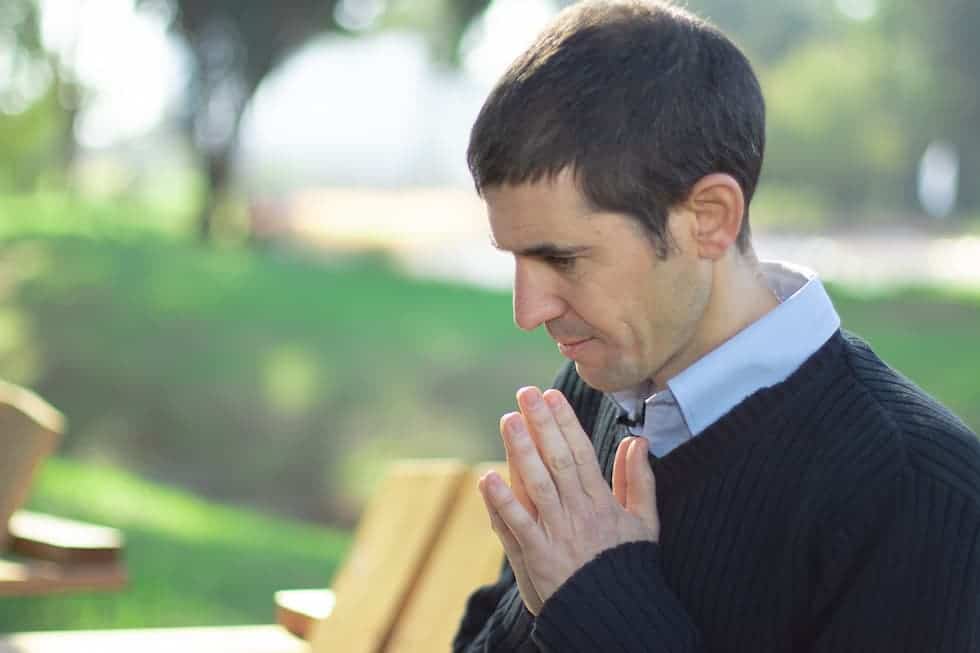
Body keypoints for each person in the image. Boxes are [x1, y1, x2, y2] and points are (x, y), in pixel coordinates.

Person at [452, 1, 980, 651]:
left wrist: (596, 600)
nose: (528, 311)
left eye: (562, 259)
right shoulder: (592, 391)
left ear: (709, 217)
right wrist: (550, 597)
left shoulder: (920, 493)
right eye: (514, 258)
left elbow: (586, 602)